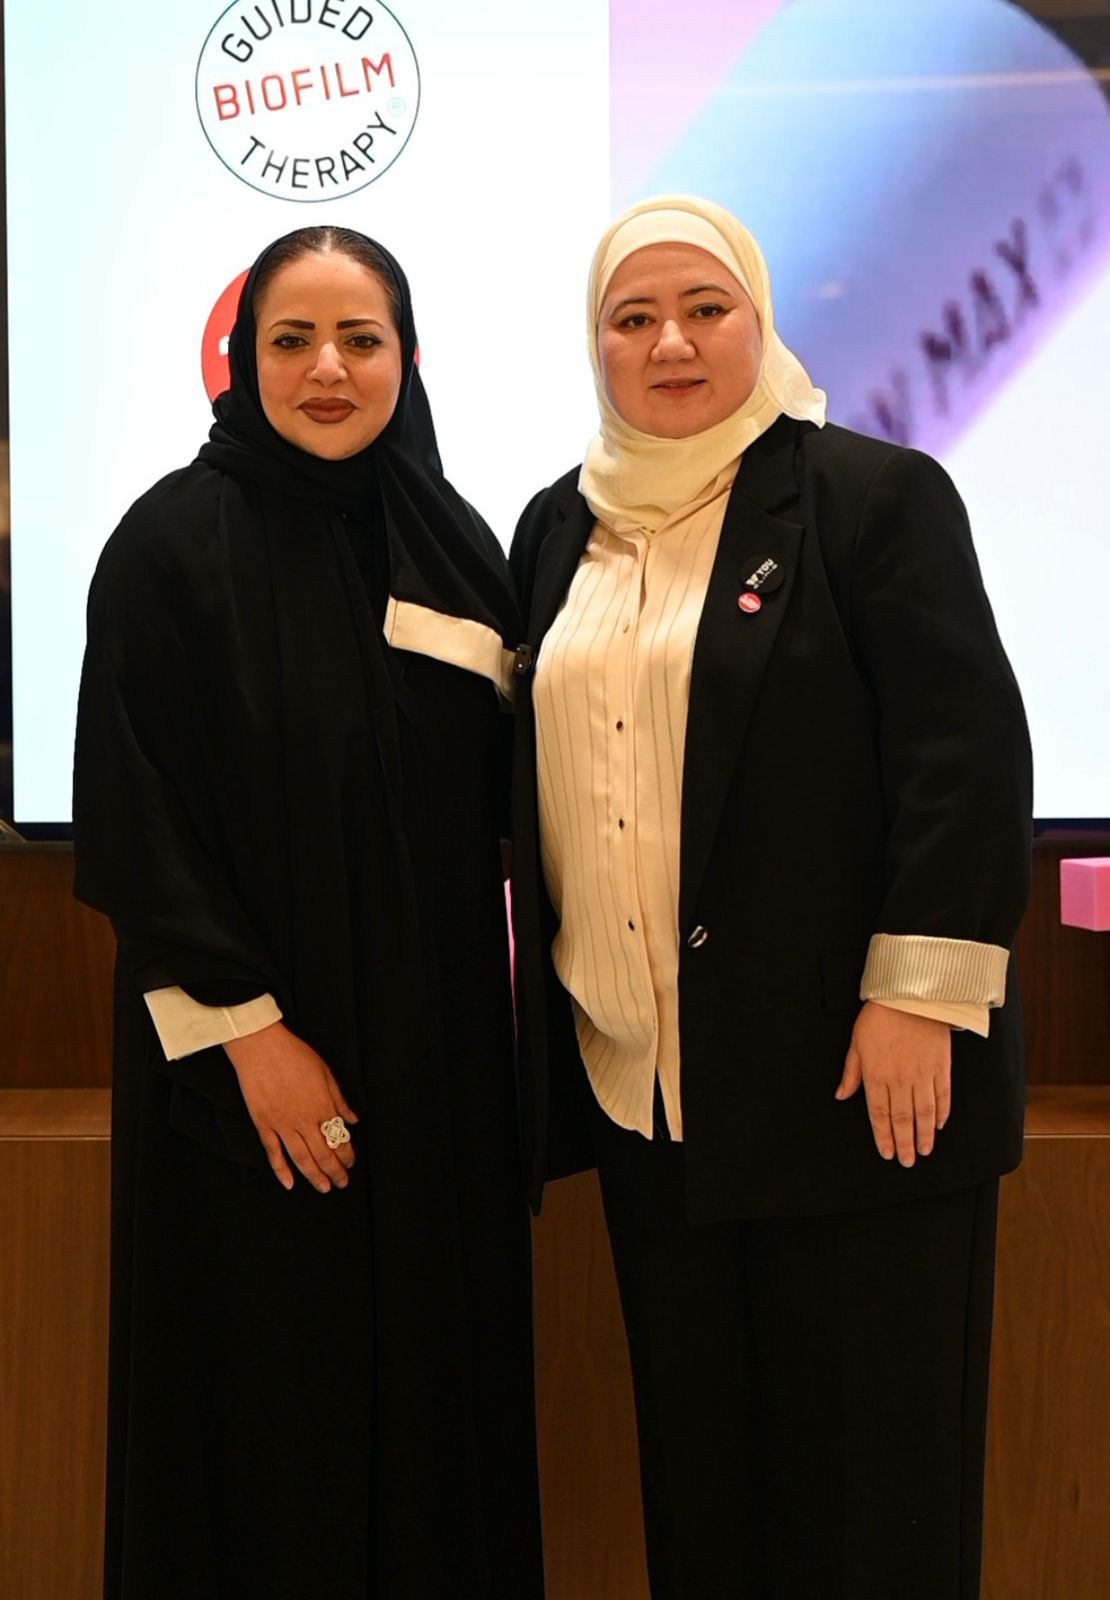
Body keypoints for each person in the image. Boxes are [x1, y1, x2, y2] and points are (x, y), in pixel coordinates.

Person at [509, 194, 1032, 1600]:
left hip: (858, 1090)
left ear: (760, 320)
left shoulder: (869, 498)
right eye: (632, 318)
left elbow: (964, 756)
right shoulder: (555, 528)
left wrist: (919, 996)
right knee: (704, 1504)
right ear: (596, 345)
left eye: (704, 309)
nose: (669, 344)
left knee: (867, 1513)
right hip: (650, 1101)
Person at [74, 226, 544, 1600]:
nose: (328, 369)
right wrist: (253, 1039)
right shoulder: (167, 544)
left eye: (360, 339)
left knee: (439, 1424)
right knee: (264, 1426)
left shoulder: (459, 547)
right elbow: (135, 820)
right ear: (244, 359)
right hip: (243, 1083)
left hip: (439, 1082)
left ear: (407, 357)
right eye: (293, 340)